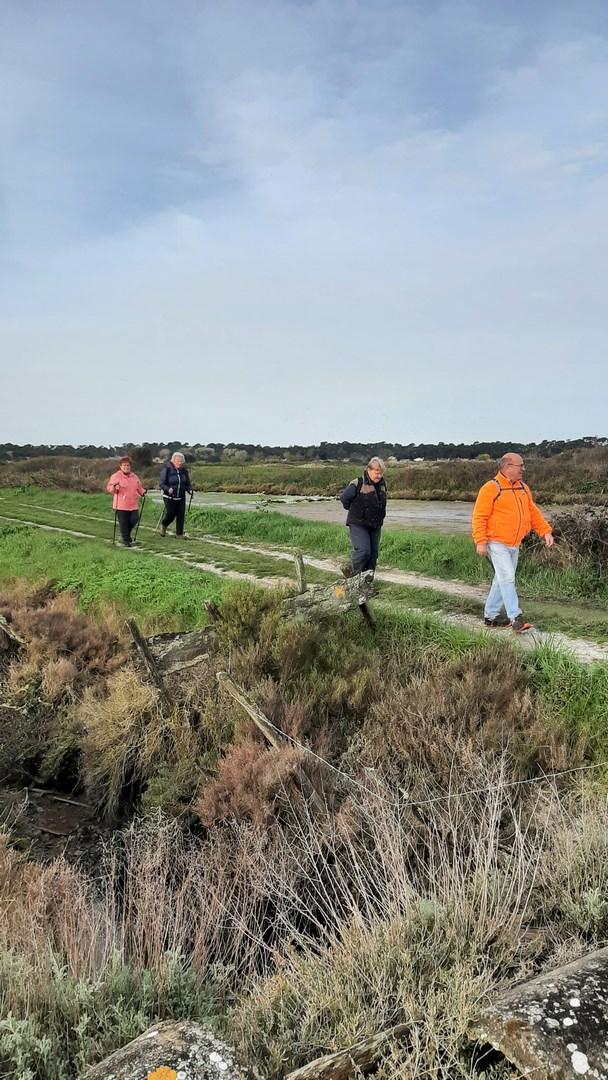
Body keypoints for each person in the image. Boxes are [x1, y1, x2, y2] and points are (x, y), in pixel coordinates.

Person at [471, 452, 554, 633]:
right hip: (496, 542)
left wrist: (545, 531)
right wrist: (481, 541)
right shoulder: (491, 488)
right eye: (520, 466)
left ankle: (490, 616)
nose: (523, 469)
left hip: (514, 543)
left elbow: (533, 512)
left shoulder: (523, 488)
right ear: (507, 467)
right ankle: (516, 617)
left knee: (501, 579)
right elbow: (479, 517)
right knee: (507, 577)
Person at [339, 457, 387, 580]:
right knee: (363, 551)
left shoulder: (383, 484)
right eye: (377, 473)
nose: (379, 476)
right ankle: (354, 578)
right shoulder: (357, 483)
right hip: (358, 523)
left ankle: (368, 582)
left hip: (376, 524)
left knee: (373, 554)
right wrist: (354, 510)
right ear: (369, 470)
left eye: (381, 473)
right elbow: (344, 498)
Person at [106, 456, 146, 547]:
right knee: (123, 522)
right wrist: (114, 488)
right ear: (120, 466)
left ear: (130, 466)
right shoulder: (116, 476)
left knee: (134, 520)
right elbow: (109, 488)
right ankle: (126, 540)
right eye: (124, 465)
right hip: (121, 505)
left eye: (128, 465)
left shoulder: (134, 476)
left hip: (133, 504)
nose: (126, 467)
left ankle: (125, 536)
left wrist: (143, 492)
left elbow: (139, 487)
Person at [159, 451, 193, 538]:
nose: (180, 463)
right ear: (173, 461)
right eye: (178, 461)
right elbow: (162, 484)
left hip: (181, 496)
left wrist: (189, 490)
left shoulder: (184, 471)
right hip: (169, 496)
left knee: (180, 514)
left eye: (181, 461)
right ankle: (164, 524)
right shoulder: (166, 470)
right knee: (171, 514)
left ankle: (179, 534)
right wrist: (167, 489)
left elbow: (187, 483)